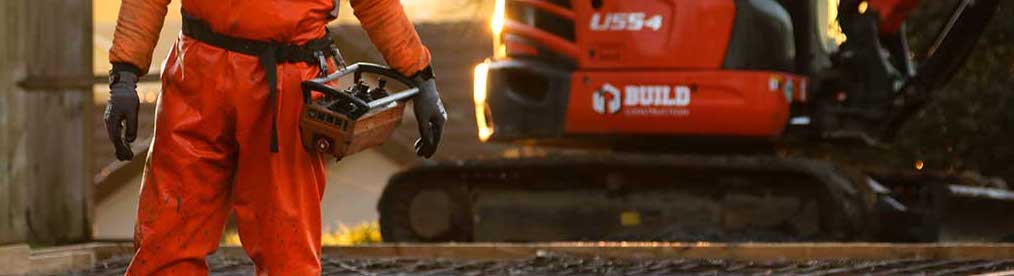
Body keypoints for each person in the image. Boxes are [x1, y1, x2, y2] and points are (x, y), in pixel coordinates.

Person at [103, 0, 446, 274]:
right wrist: (124, 75)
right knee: (167, 241)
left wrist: (420, 76)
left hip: (287, 85)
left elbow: (376, 4)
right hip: (197, 77)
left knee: (287, 251)